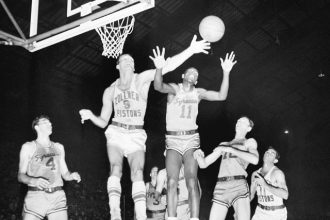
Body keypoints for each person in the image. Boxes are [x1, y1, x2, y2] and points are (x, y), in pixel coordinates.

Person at [79, 35, 210, 220]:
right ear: (118, 65)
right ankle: (114, 212)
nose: (129, 62)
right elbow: (103, 121)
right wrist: (91, 116)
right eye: (125, 60)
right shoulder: (110, 90)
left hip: (136, 133)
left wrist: (191, 50)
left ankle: (141, 216)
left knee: (138, 173)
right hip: (116, 130)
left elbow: (168, 65)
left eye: (132, 61)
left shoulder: (140, 79)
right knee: (115, 168)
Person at [153, 51, 237, 220]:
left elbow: (222, 96)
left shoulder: (198, 93)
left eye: (196, 74)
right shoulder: (174, 89)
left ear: (196, 80)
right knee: (171, 182)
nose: (193, 74)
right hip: (173, 140)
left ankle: (195, 218)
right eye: (190, 72)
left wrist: (226, 72)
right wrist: (159, 68)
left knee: (192, 181)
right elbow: (158, 86)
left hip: (191, 139)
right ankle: (171, 217)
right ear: (183, 75)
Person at [193, 116, 259, 220]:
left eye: (242, 122)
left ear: (249, 128)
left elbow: (255, 160)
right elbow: (203, 164)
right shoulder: (223, 144)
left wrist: (230, 149)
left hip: (239, 185)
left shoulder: (249, 142)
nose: (238, 123)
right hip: (221, 187)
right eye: (238, 121)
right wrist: (197, 154)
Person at [18, 115, 81, 220]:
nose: (50, 124)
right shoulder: (28, 147)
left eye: (50, 122)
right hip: (36, 195)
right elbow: (20, 176)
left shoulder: (59, 147)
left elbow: (65, 174)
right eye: (45, 122)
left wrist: (71, 176)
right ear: (37, 127)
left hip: (57, 196)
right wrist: (33, 180)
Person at [250, 147, 288, 220]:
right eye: (267, 152)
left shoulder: (277, 173)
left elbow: (285, 195)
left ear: (275, 160)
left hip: (276, 213)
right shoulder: (255, 174)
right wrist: (239, 208)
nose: (268, 153)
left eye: (272, 153)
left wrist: (265, 185)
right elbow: (251, 196)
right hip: (259, 212)